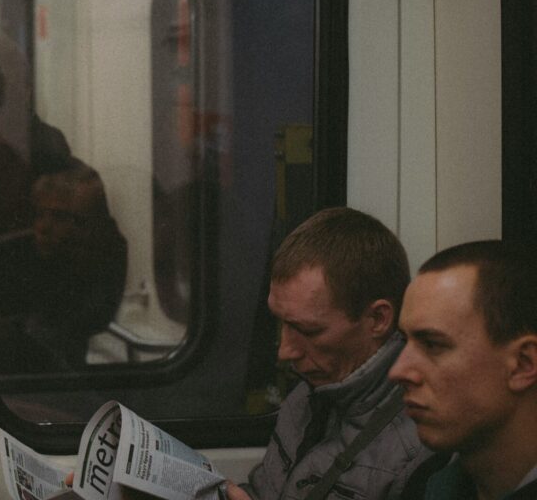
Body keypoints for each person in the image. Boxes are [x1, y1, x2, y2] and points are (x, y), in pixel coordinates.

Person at [227, 207, 431, 500]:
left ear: (377, 319)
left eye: (308, 331)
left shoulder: (418, 447)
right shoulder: (306, 395)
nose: (285, 352)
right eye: (282, 323)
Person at [388, 241, 537, 500]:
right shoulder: (425, 483)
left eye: (432, 344)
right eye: (404, 340)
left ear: (523, 364)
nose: (398, 371)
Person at [0, 164, 127, 372]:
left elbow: (63, 335)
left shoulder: (97, 264)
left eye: (60, 217)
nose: (43, 227)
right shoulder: (16, 253)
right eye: (40, 214)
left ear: (89, 227)